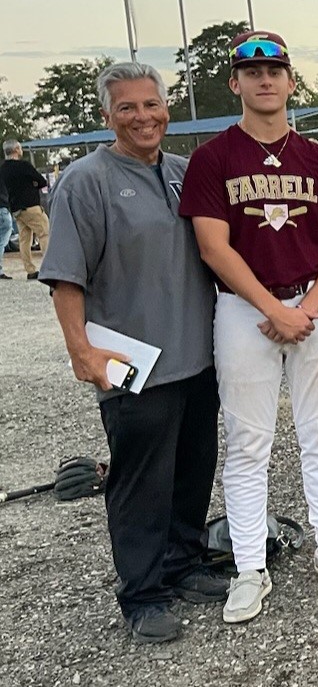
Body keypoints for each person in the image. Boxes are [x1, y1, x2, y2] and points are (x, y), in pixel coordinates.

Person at [178, 31, 318, 625]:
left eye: (275, 70)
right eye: (251, 71)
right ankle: (246, 567)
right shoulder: (214, 157)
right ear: (235, 83)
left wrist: (308, 308)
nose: (265, 80)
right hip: (245, 311)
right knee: (248, 441)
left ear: (292, 82)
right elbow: (214, 248)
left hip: (312, 305)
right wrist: (273, 308)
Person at [39, 62, 226, 643]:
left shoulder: (183, 173)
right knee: (141, 480)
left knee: (193, 469)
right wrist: (81, 349)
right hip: (133, 364)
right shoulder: (86, 180)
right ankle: (142, 595)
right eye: (128, 108)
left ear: (166, 108)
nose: (143, 117)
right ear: (107, 116)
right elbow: (65, 276)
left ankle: (184, 563)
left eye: (151, 104)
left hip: (198, 355)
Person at [2, 138, 51, 279]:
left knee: (24, 239)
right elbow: (41, 181)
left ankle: (30, 270)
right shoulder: (24, 166)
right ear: (17, 150)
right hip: (31, 206)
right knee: (44, 233)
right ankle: (49, 267)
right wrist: (33, 185)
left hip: (16, 209)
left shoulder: (3, 169)